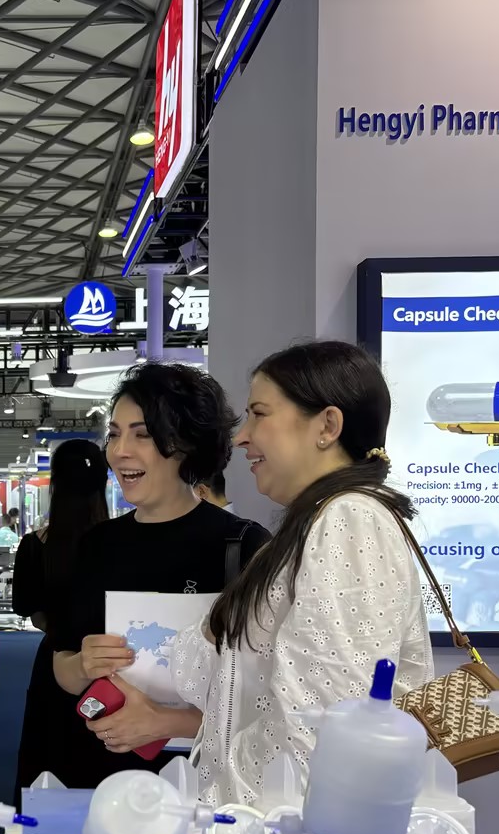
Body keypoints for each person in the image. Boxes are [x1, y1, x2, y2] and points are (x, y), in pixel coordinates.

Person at [171, 341, 434, 806]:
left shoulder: (349, 519)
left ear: (327, 426)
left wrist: (227, 802)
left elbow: (325, 720)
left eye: (259, 414)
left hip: (289, 829)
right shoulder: (315, 524)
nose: (242, 437)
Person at [52, 363, 271, 789]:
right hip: (104, 772)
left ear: (185, 444)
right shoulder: (97, 544)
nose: (120, 451)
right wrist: (82, 664)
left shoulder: (242, 545)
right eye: (114, 434)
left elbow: (267, 699)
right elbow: (62, 665)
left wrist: (167, 722)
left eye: (143, 435)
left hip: (205, 779)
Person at [11, 439, 109, 796]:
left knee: (49, 755)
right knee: (106, 751)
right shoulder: (119, 544)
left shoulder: (35, 545)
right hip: (114, 663)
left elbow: (30, 610)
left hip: (54, 662)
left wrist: (60, 628)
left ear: (55, 484)